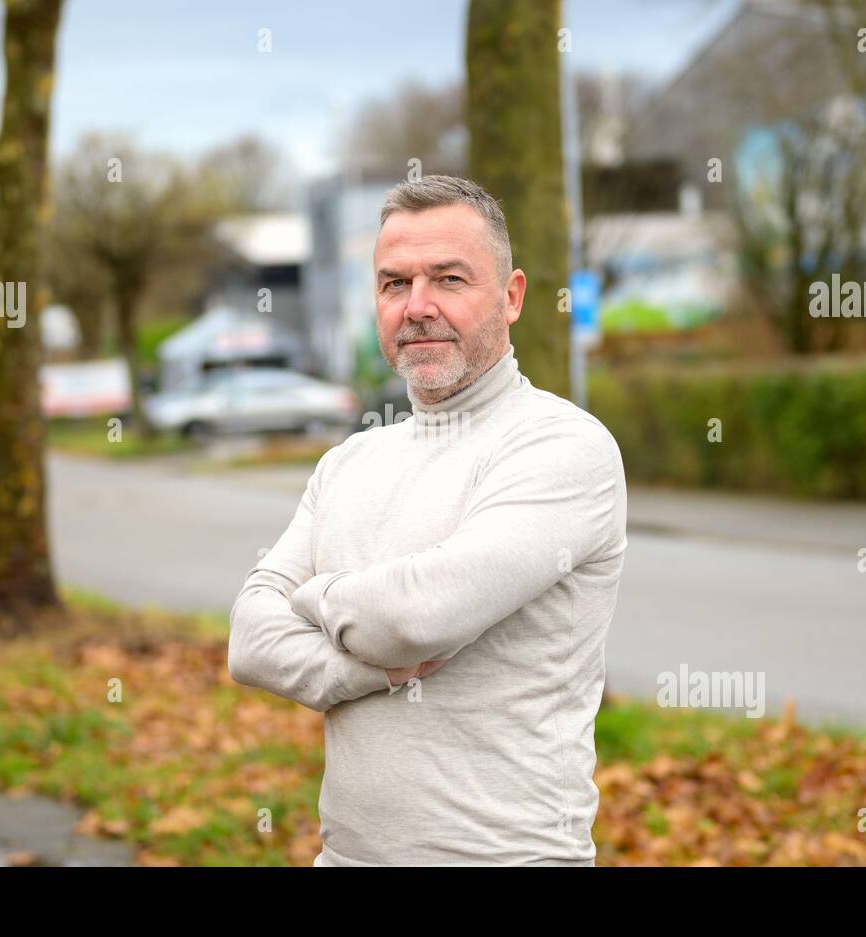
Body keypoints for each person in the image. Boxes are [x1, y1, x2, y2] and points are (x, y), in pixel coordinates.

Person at [228, 174, 627, 865]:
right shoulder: (349, 461)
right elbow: (250, 640)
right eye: (393, 284)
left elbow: (417, 617)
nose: (417, 307)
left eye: (448, 279)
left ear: (511, 297)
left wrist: (314, 596)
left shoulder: (564, 447)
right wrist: (378, 672)